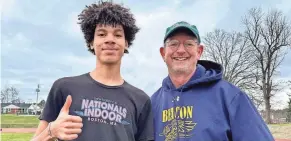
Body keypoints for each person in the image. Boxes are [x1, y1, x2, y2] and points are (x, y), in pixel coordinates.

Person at [31, 1, 154, 141]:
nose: (110, 40)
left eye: (118, 35)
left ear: (126, 43)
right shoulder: (64, 87)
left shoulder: (141, 100)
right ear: (91, 42)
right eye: (102, 34)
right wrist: (51, 131)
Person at [150, 21, 274, 141]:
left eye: (189, 44)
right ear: (163, 53)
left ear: (199, 51)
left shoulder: (230, 97)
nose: (181, 50)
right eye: (173, 44)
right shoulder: (152, 104)